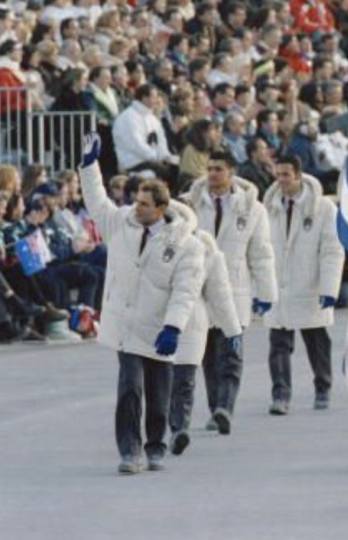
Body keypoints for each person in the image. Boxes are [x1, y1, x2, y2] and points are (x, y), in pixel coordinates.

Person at [78, 132, 204, 474]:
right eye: (136, 200)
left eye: (145, 204)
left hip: (160, 328)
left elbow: (185, 290)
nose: (137, 207)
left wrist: (174, 327)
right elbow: (96, 201)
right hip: (125, 325)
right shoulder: (120, 224)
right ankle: (129, 450)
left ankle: (155, 445)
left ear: (161, 209)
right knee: (130, 388)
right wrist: (89, 167)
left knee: (158, 393)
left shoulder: (187, 245)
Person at [186, 150, 276, 434]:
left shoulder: (252, 208)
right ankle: (216, 409)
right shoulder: (189, 205)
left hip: (235, 289)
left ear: (231, 173)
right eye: (209, 168)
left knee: (231, 353)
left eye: (218, 169)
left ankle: (225, 407)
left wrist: (266, 292)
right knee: (209, 356)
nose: (212, 174)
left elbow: (261, 253)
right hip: (200, 289)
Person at [262, 155, 344, 414]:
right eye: (278, 175)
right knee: (278, 344)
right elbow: (259, 251)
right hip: (279, 286)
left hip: (310, 286)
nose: (281, 181)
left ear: (298, 175)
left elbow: (332, 250)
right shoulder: (269, 207)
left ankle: (323, 387)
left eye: (286, 175)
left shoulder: (323, 209)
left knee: (317, 341)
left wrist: (330, 288)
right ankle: (281, 395)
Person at [167, 200, 242, 456]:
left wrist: (233, 330)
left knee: (184, 379)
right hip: (154, 320)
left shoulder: (206, 248)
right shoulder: (153, 243)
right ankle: (170, 426)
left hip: (192, 321)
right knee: (164, 381)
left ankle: (179, 429)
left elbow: (220, 292)